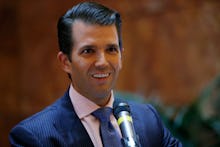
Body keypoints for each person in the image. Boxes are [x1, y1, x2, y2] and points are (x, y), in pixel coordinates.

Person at [9, 2, 182, 147]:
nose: (102, 62)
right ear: (65, 62)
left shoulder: (148, 119)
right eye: (88, 51)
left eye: (111, 50)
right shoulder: (34, 137)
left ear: (121, 56)